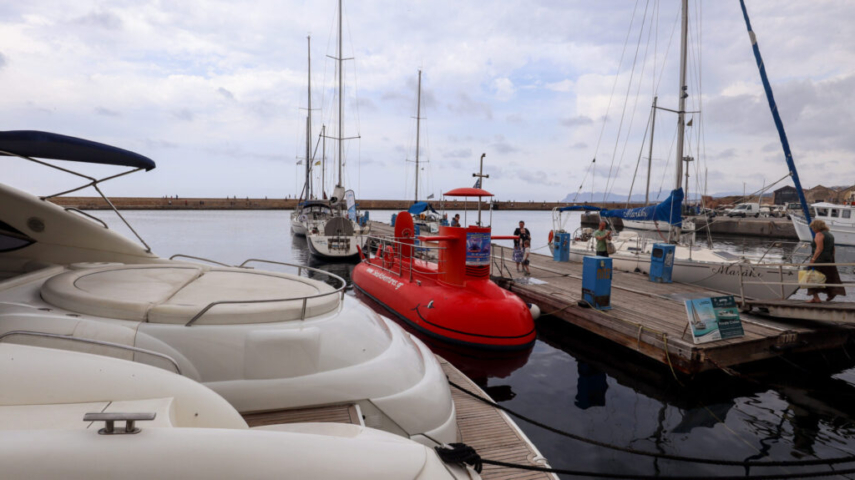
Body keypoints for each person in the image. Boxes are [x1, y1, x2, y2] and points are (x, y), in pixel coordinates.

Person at [807, 219, 845, 303]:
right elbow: (833, 248)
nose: (812, 229)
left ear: (816, 227)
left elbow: (819, 248)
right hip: (829, 259)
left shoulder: (819, 234)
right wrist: (832, 258)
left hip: (819, 259)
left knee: (810, 276)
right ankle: (831, 293)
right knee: (827, 276)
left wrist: (813, 259)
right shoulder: (830, 235)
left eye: (813, 227)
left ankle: (816, 297)